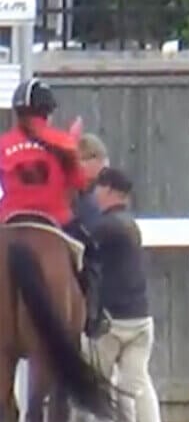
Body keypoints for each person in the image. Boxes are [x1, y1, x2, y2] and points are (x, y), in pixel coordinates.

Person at [0, 78, 108, 339]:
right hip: (55, 219)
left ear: (17, 113)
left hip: (8, 218)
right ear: (48, 112)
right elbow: (80, 184)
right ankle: (93, 317)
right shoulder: (63, 143)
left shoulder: (3, 144)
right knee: (91, 253)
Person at [82, 167, 167, 422]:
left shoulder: (102, 227)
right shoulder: (130, 225)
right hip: (140, 317)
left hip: (111, 319)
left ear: (108, 191)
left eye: (98, 189)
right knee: (139, 384)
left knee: (100, 383)